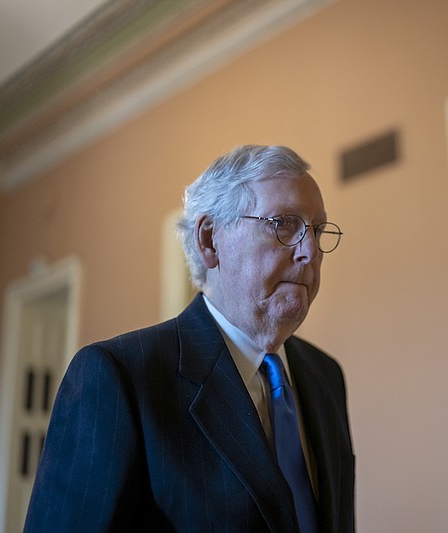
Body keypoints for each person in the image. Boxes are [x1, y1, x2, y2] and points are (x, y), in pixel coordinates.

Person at [24, 145, 355, 532]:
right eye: (284, 224)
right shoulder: (120, 377)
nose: (310, 251)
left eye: (316, 230)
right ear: (210, 240)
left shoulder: (325, 375)